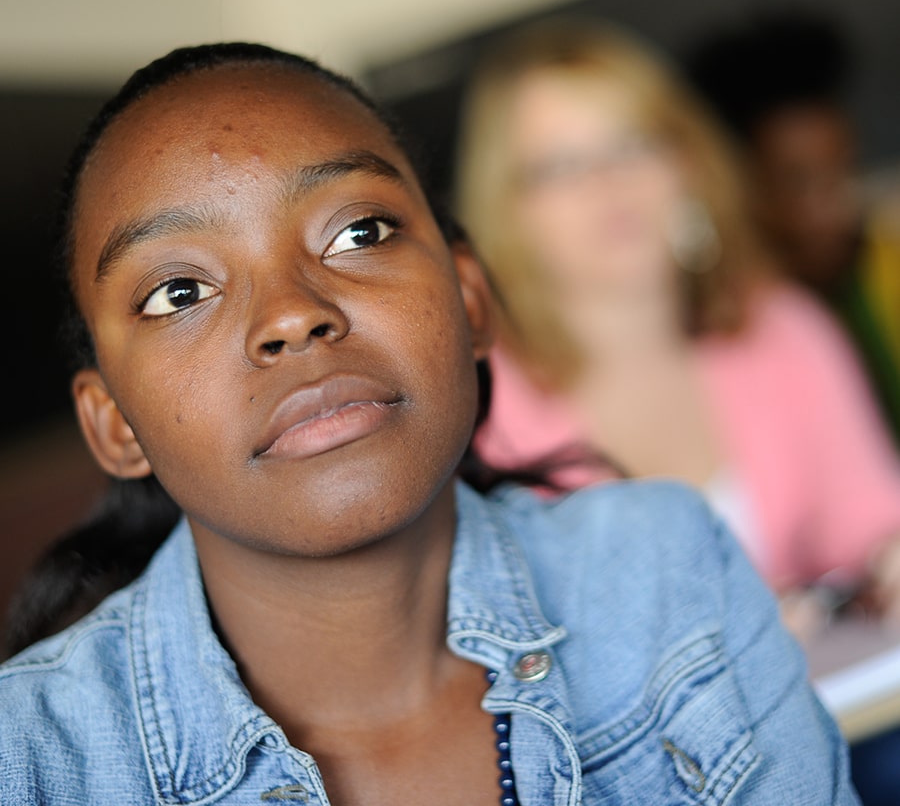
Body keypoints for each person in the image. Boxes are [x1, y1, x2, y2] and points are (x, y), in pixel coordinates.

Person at [0, 42, 857, 805]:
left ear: (472, 300)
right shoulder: (33, 759)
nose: (292, 316)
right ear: (113, 424)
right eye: (179, 292)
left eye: (358, 232)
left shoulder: (667, 571)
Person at [455, 20, 900, 602]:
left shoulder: (782, 329)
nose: (608, 184)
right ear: (506, 212)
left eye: (631, 145)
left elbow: (872, 527)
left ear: (687, 164)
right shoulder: (477, 406)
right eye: (561, 166)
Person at [688, 8, 900, 446]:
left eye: (843, 171)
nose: (835, 205)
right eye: (800, 183)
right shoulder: (725, 321)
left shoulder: (884, 264)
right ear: (741, 185)